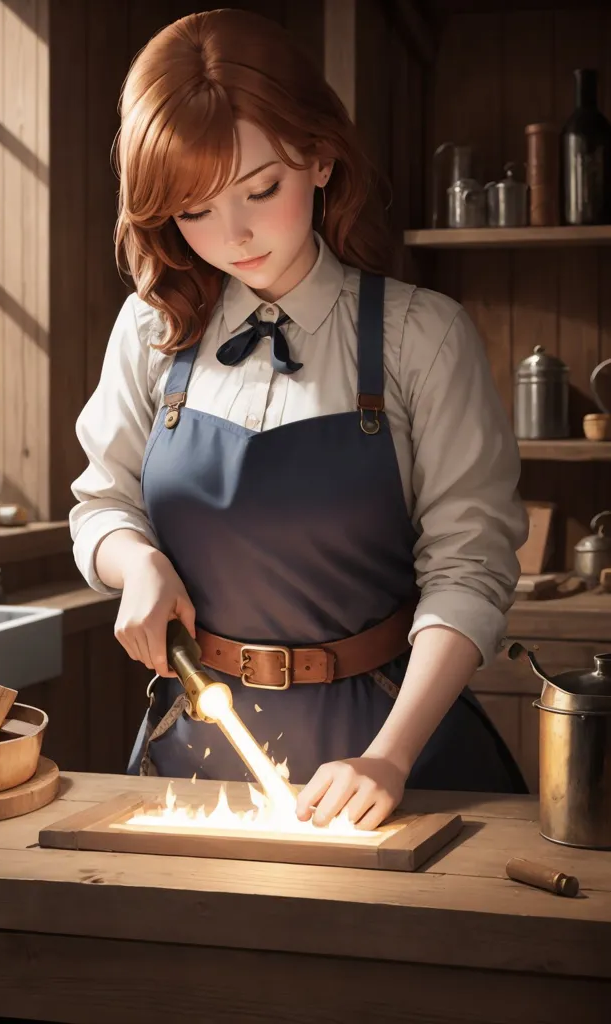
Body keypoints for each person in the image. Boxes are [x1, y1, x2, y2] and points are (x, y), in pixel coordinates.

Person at [69, 8, 529, 831]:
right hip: (198, 754)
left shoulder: (423, 337)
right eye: (194, 210)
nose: (233, 235)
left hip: (394, 752)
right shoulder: (151, 328)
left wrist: (390, 754)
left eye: (260, 190)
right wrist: (134, 562)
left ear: (320, 157)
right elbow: (101, 503)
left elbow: (472, 568)